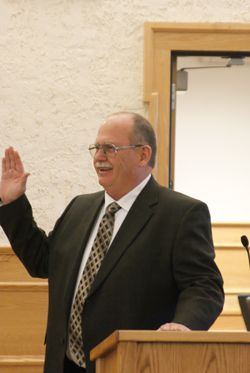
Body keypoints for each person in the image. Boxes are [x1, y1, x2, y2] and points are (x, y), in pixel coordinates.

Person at [0, 112, 224, 373]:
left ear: (143, 154)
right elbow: (42, 262)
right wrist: (13, 203)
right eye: (96, 148)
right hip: (64, 365)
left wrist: (183, 326)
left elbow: (204, 285)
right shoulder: (79, 207)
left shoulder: (180, 214)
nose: (99, 157)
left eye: (110, 148)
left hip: (133, 364)